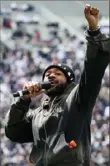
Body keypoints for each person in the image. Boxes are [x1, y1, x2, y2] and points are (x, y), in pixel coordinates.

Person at [5, 4, 110, 166]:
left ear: (68, 81)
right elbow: (13, 132)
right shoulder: (37, 115)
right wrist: (23, 101)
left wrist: (94, 31)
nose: (51, 75)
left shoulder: (77, 100)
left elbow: (93, 71)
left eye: (57, 73)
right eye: (47, 74)